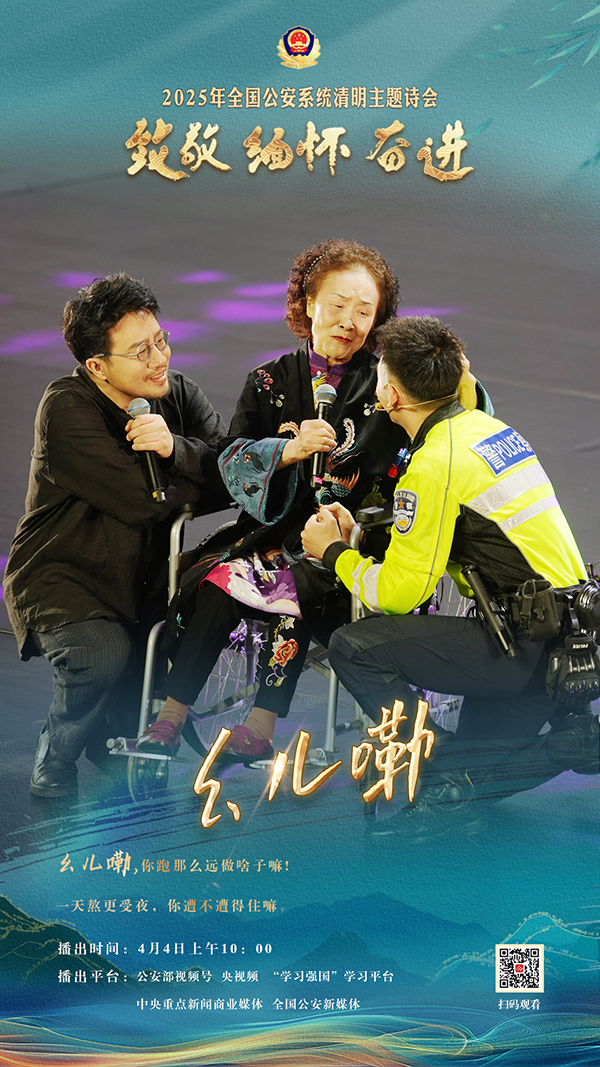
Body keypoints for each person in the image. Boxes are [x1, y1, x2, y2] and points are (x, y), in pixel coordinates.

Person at [138, 240, 490, 762]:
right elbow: (228, 460)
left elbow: (457, 428)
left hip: (355, 536)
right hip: (269, 533)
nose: (349, 321)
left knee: (297, 585)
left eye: (364, 311)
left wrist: (463, 380)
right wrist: (285, 451)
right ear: (308, 303)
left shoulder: (389, 383)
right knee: (216, 583)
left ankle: (261, 723)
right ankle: (170, 716)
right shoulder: (267, 381)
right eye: (338, 304)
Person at [301, 315, 599, 834]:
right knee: (472, 775)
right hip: (572, 645)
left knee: (354, 648)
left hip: (524, 648)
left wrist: (333, 553)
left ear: (390, 396)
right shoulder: (491, 430)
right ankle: (573, 743)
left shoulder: (434, 464)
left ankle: (430, 759)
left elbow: (398, 593)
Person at [3, 273, 228, 797]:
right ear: (97, 366)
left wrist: (175, 449)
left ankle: (106, 733)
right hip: (65, 576)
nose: (159, 358)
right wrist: (200, 478)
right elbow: (141, 501)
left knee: (132, 717)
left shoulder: (178, 393)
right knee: (103, 655)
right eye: (140, 351)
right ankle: (56, 751)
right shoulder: (66, 407)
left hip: (144, 582)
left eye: (160, 340)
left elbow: (235, 470)